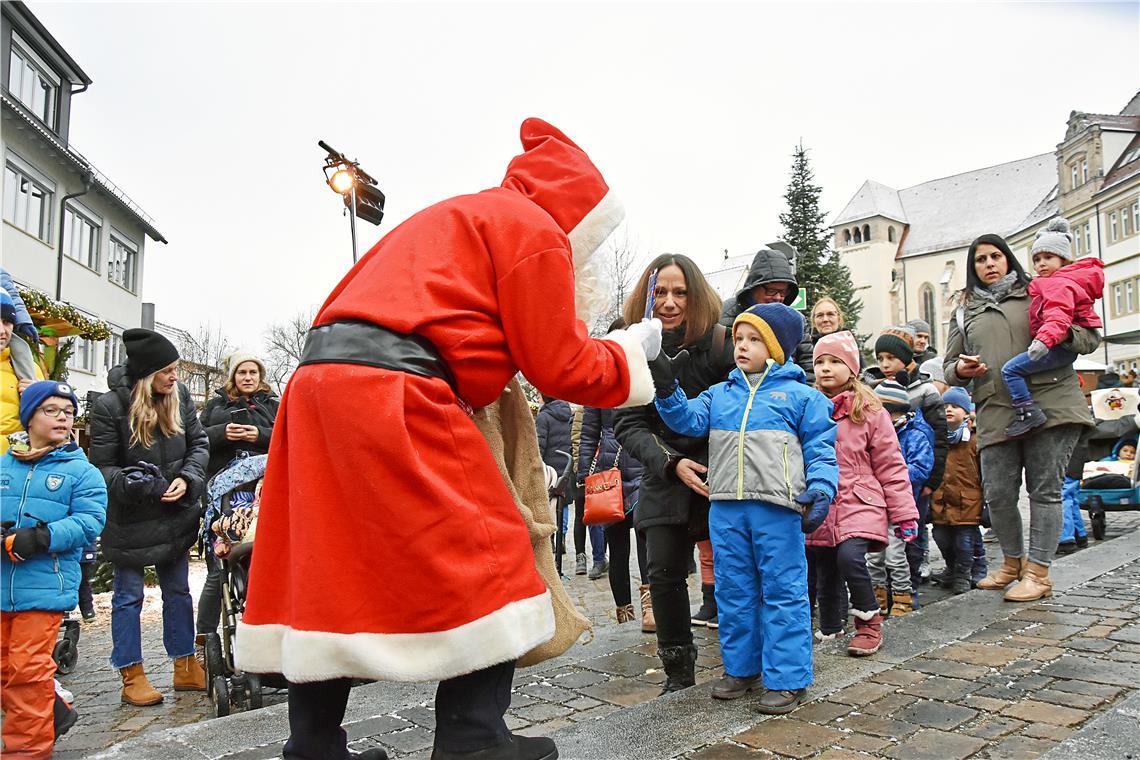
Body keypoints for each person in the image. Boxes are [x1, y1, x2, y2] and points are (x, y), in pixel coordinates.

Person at [234, 119, 661, 760]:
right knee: (490, 551)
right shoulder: (534, 230)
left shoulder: (456, 216)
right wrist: (630, 355)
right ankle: (473, 739)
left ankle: (313, 747)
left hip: (319, 388)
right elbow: (561, 366)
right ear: (579, 216)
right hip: (399, 390)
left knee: (333, 561)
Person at [654, 303, 836, 713]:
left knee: (783, 591)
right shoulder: (720, 394)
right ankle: (741, 667)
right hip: (727, 509)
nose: (742, 346)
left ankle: (787, 678)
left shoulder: (803, 398)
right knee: (734, 590)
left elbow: (822, 451)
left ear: (777, 348)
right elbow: (686, 419)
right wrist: (668, 389)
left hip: (778, 507)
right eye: (738, 339)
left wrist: (822, 489)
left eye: (754, 339)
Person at [945, 232, 1099, 603]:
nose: (989, 265)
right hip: (996, 410)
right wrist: (962, 371)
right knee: (997, 493)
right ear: (973, 268)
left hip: (1051, 404)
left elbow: (1088, 336)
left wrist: (1056, 338)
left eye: (996, 256)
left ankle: (1039, 572)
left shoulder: (1041, 289)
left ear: (1009, 259)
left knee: (1043, 490)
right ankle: (1012, 563)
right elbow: (949, 366)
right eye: (981, 260)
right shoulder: (965, 310)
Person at [614, 253, 735, 695]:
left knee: (736, 571)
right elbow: (628, 423)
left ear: (695, 295)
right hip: (664, 473)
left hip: (719, 473)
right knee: (663, 573)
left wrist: (703, 460)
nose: (669, 301)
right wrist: (669, 461)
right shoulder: (631, 347)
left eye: (679, 292)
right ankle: (678, 673)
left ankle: (744, 662)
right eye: (660, 292)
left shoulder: (723, 345)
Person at [89, 328, 210, 705]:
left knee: (178, 592)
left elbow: (199, 444)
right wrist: (133, 483)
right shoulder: (109, 407)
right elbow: (102, 468)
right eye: (168, 370)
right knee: (128, 598)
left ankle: (185, 666)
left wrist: (188, 479)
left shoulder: (181, 396)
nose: (175, 376)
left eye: (177, 369)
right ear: (146, 373)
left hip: (175, 512)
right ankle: (132, 673)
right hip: (130, 520)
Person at [1, 381, 106, 756]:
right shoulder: (3, 464)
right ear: (30, 417)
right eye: (52, 409)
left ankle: (25, 752)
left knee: (27, 674)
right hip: (1, 586)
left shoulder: (82, 472)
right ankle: (56, 709)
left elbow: (89, 522)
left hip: (45, 586)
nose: (63, 416)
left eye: (68, 411)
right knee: (5, 673)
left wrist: (42, 537)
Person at [807, 331, 918, 656]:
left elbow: (891, 465)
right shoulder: (808, 407)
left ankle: (869, 622)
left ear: (852, 368)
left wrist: (904, 513)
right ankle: (829, 630)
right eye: (820, 362)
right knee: (824, 569)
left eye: (834, 361)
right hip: (822, 505)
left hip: (860, 500)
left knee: (849, 556)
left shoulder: (869, 411)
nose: (826, 368)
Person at [195, 351, 279, 645]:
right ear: (233, 376)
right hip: (228, 492)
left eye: (253, 373)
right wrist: (223, 433)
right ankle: (204, 637)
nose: (248, 378)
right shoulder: (216, 407)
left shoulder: (273, 406)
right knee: (219, 570)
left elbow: (288, 434)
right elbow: (198, 439)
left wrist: (257, 434)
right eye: (242, 372)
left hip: (266, 487)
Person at [1001, 218, 1104, 438]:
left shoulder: (1058, 284)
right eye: (1036, 259)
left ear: (1064, 259)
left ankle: (1027, 412)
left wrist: (1043, 341)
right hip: (1060, 348)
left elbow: (1058, 315)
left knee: (1010, 370)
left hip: (1056, 346)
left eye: (1048, 257)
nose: (1041, 264)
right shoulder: (1057, 281)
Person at [872, 325, 947, 605]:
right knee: (885, 540)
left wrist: (932, 480)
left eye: (891, 358)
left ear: (906, 358)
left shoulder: (926, 390)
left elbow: (939, 438)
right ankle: (885, 591)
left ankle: (909, 589)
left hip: (916, 481)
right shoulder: (876, 388)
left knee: (911, 536)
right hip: (885, 485)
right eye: (880, 359)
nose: (885, 364)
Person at [866, 379, 932, 617]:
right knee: (873, 556)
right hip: (874, 506)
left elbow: (921, 468)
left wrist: (891, 472)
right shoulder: (871, 432)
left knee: (895, 556)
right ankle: (878, 596)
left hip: (898, 505)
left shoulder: (914, 434)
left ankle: (903, 596)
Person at [578, 403, 647, 627]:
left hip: (640, 470)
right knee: (619, 548)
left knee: (646, 542)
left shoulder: (640, 378)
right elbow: (589, 434)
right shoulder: (598, 387)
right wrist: (584, 473)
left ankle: (648, 610)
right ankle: (626, 612)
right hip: (611, 478)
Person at [719, 245, 814, 378]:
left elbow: (808, 367)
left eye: (783, 292)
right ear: (753, 287)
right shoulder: (725, 314)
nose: (778, 297)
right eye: (771, 291)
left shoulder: (796, 320)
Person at [930, 387, 986, 594]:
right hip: (941, 500)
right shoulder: (937, 437)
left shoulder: (973, 439)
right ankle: (952, 568)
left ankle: (965, 573)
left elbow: (984, 470)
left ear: (966, 412)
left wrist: (986, 501)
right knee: (941, 537)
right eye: (945, 406)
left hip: (967, 501)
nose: (948, 410)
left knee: (965, 541)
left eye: (954, 406)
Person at [539, 395, 602, 578]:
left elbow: (544, 443)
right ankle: (592, 556)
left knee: (566, 509)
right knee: (572, 508)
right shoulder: (570, 412)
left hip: (559, 468)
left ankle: (563, 541)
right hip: (576, 468)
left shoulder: (547, 416)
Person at [1, 291, 44, 455]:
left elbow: (46, 427)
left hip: (12, 471)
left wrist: (39, 399)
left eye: (7, 322)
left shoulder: (29, 369)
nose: (2, 331)